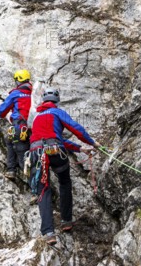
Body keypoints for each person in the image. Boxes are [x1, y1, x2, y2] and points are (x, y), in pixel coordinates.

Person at [29, 87, 100, 245]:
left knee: (43, 190)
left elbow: (52, 138)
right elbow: (75, 128)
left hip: (35, 153)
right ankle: (66, 221)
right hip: (55, 152)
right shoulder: (57, 112)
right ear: (56, 101)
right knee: (64, 182)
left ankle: (48, 233)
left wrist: (80, 148)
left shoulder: (37, 117)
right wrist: (92, 142)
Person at [0, 70, 32, 180]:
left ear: (18, 81)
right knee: (10, 141)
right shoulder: (34, 93)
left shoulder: (15, 94)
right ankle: (11, 169)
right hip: (34, 128)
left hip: (20, 127)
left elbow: (1, 112)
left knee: (22, 155)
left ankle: (12, 170)